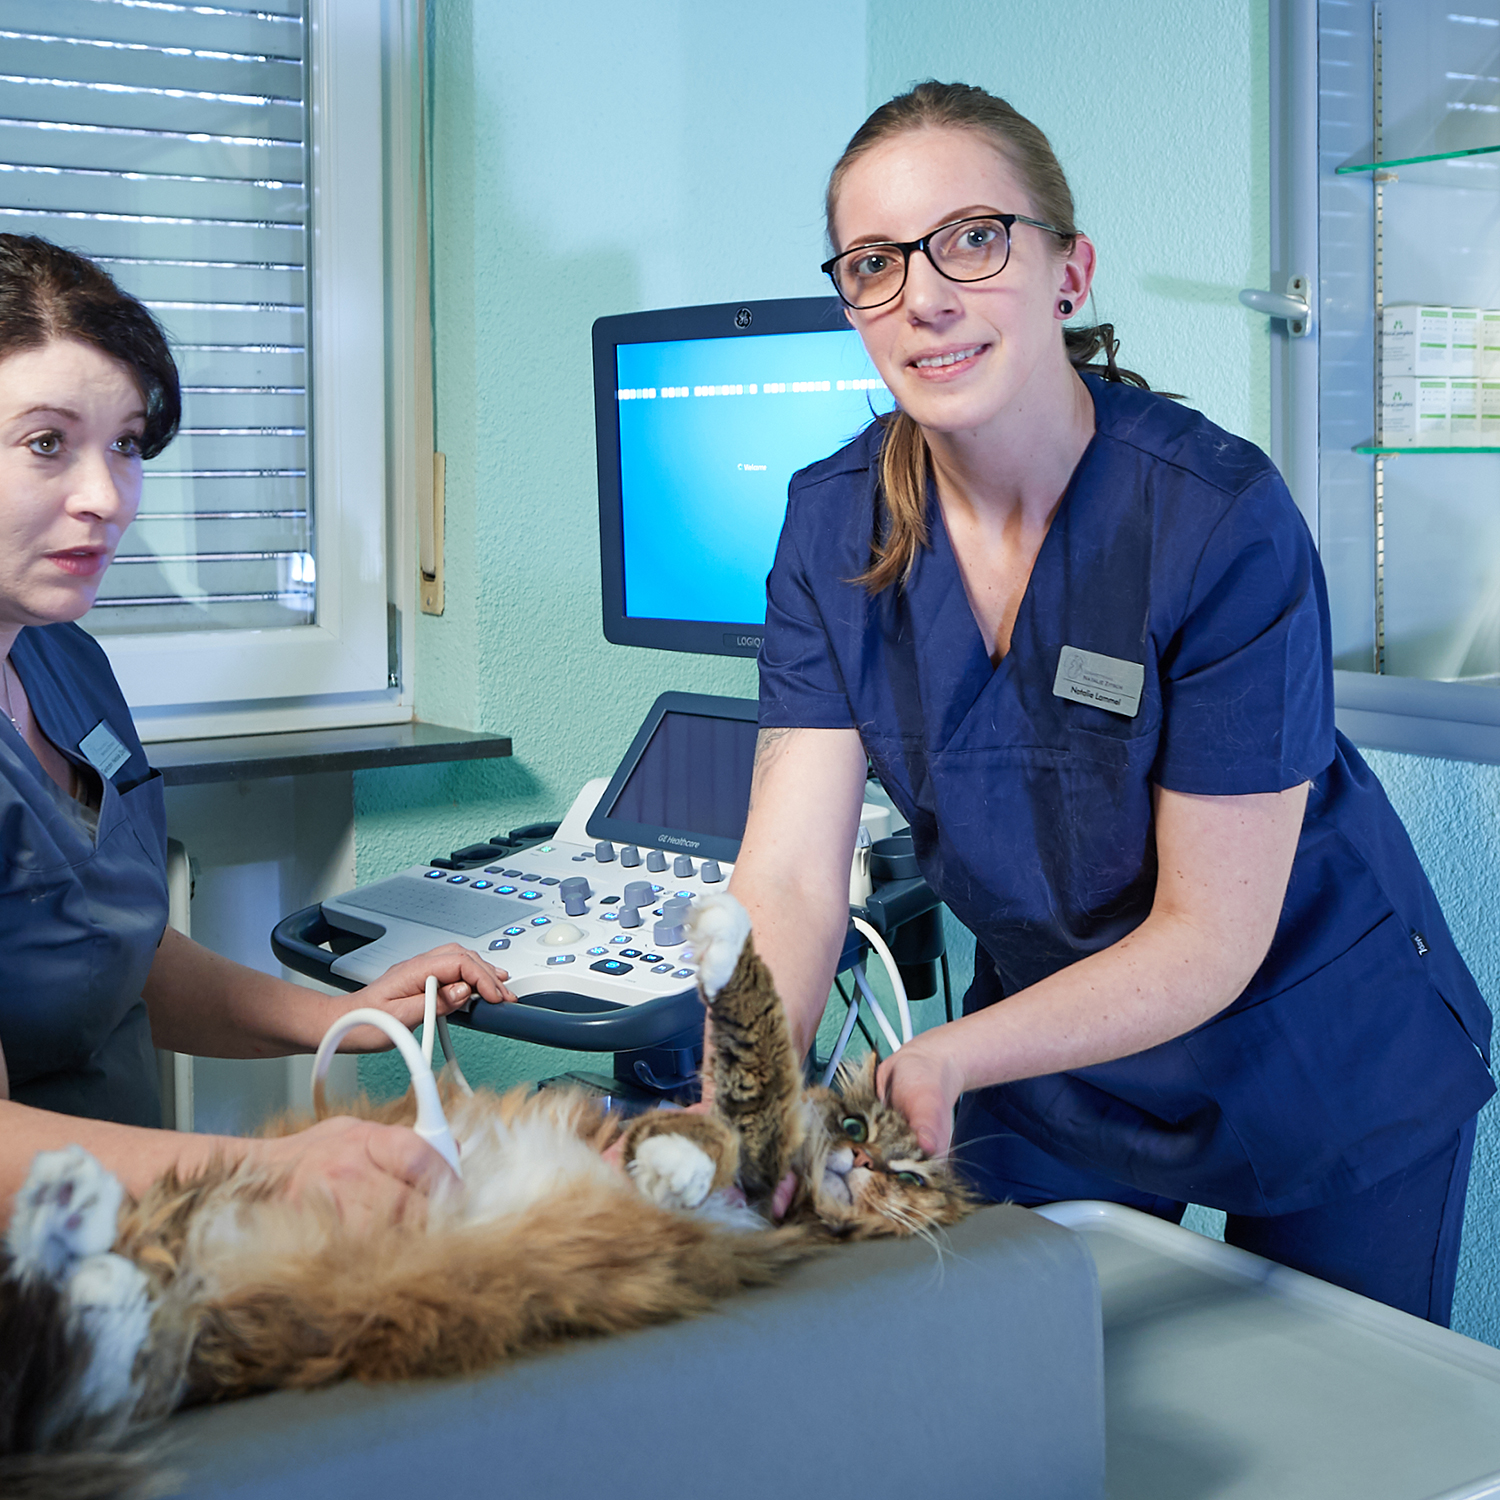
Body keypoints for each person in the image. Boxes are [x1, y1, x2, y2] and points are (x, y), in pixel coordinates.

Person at [728, 82, 1495, 1323]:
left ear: (1068, 274)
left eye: (973, 239)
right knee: (1005, 1382)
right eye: (874, 263)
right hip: (1056, 1057)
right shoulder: (832, 526)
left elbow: (1210, 936)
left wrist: (944, 1059)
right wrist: (745, 1096)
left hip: (1313, 1046)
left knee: (1332, 1439)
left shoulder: (1213, 517)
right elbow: (793, 881)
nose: (924, 296)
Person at [0, 233, 515, 1229]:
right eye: (47, 443)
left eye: (127, 445)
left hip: (129, 1249)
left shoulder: (64, 662)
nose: (107, 496)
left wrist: (344, 1019)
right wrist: (271, 1172)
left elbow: (105, 942)